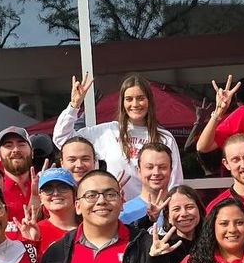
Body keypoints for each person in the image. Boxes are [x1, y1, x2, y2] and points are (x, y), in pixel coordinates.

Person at [52, 73, 184, 203]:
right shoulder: (108, 131)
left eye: (140, 98)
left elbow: (175, 181)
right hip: (114, 210)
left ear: (149, 101)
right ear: (122, 103)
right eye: (129, 99)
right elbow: (62, 139)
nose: (135, 104)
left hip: (153, 210)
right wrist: (74, 105)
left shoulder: (164, 138)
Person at [120, 142, 174, 227]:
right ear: (139, 170)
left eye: (162, 167)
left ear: (171, 170)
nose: (156, 173)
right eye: (149, 167)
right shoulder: (123, 212)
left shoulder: (181, 209)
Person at [0, 126, 38, 227]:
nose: (15, 150)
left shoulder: (46, 185)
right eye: (8, 145)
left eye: (21, 144)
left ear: (32, 152)